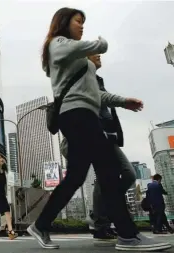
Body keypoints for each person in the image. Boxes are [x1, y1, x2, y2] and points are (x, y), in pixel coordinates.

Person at [27, 7, 171, 252]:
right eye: (78, 21)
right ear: (64, 22)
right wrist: (99, 44)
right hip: (76, 115)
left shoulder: (81, 59)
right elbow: (84, 49)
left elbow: (96, 93)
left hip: (85, 115)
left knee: (77, 177)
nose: (82, 26)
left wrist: (123, 101)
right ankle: (127, 235)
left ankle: (41, 224)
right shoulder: (57, 43)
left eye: (83, 22)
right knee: (108, 171)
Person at [61, 54, 137, 243]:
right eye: (95, 53)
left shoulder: (97, 79)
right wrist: (123, 101)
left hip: (107, 137)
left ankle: (101, 214)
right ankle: (102, 222)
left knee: (128, 175)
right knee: (110, 178)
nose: (99, 55)